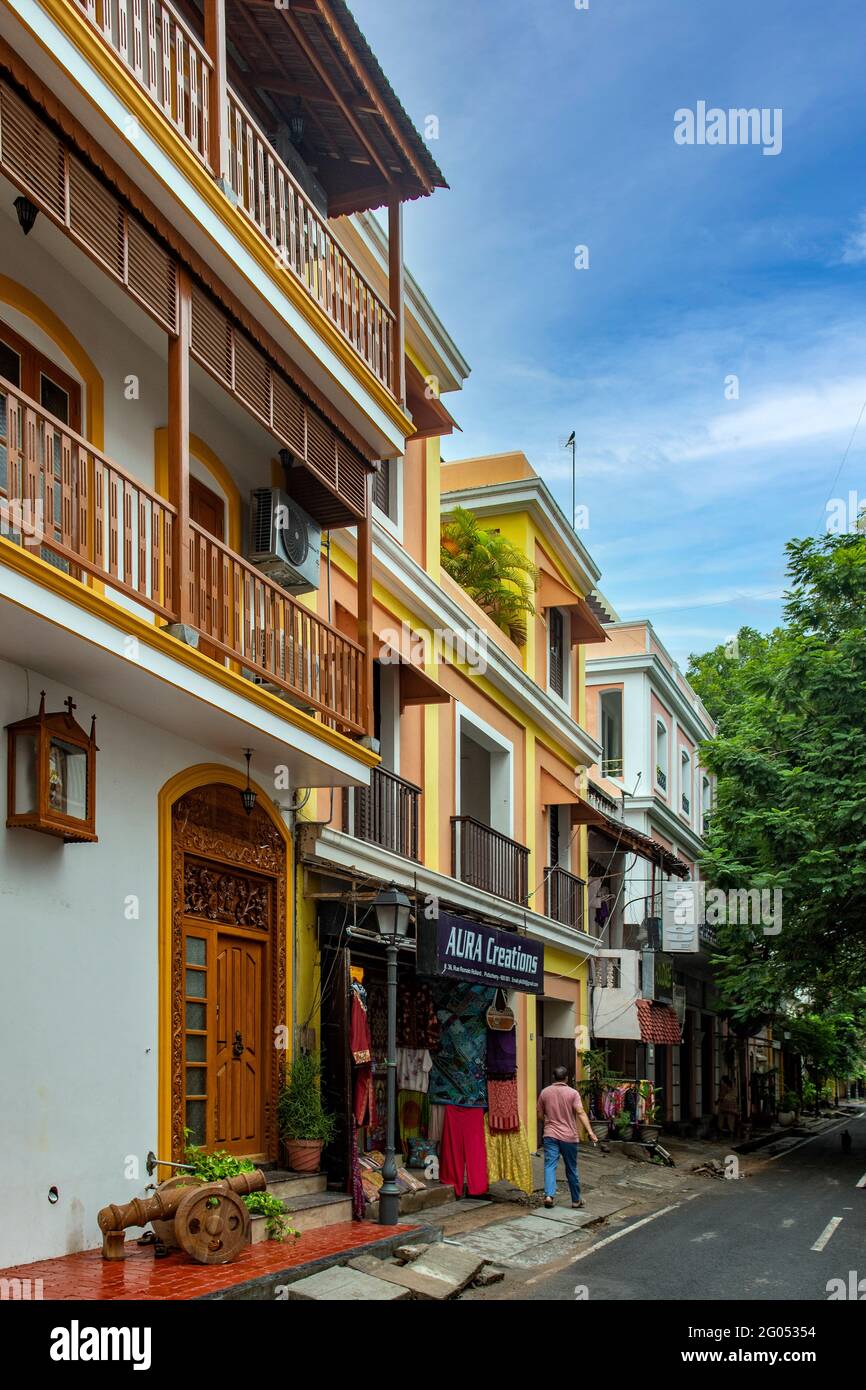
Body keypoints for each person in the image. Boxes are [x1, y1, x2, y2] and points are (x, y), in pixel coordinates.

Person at [537, 1066, 598, 1209]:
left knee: (550, 1165)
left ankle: (549, 1195)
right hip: (569, 1137)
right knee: (571, 1168)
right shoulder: (573, 1093)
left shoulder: (545, 1092)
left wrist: (547, 1121)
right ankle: (576, 1200)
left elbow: (539, 1113)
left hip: (550, 1134)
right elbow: (580, 1112)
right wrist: (590, 1132)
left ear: (553, 1077)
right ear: (567, 1078)